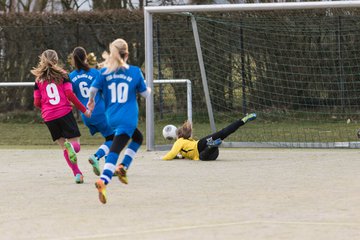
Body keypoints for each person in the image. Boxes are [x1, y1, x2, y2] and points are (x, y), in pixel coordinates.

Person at [87, 38, 151, 204]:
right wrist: (148, 88)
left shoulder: (104, 73)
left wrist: (91, 101)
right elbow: (145, 94)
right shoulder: (135, 72)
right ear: (127, 54)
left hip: (112, 117)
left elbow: (92, 90)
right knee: (115, 150)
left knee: (137, 138)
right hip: (127, 118)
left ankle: (123, 167)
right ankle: (104, 180)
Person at [31, 49, 91, 184]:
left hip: (49, 117)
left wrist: (46, 108)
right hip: (64, 113)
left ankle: (77, 174)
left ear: (42, 61)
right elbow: (70, 94)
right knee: (76, 146)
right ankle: (72, 147)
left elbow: (36, 102)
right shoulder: (64, 75)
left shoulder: (38, 80)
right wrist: (84, 110)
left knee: (64, 148)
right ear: (56, 60)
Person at [69, 46, 114, 176]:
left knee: (108, 137)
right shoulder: (95, 73)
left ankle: (108, 166)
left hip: (86, 115)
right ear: (86, 57)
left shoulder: (71, 77)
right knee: (114, 138)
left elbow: (70, 96)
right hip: (99, 111)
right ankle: (96, 156)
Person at [162, 113, 257, 161]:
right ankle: (242, 120)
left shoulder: (179, 142)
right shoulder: (189, 141)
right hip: (207, 147)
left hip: (202, 149)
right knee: (223, 132)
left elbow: (172, 153)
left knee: (202, 157)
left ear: (178, 135)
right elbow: (181, 155)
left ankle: (212, 146)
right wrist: (178, 157)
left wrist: (163, 158)